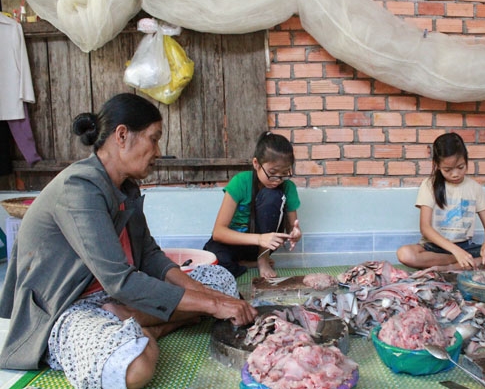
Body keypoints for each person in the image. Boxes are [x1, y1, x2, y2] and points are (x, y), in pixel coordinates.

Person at [0, 93, 257, 389]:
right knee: (133, 367)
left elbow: (150, 256)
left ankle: (133, 318)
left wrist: (209, 295)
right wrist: (210, 305)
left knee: (221, 279)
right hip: (71, 307)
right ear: (122, 135)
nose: (158, 151)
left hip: (118, 300)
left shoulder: (125, 188)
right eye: (154, 138)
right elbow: (120, 281)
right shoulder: (78, 188)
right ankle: (155, 326)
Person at [396, 132, 485, 271]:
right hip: (435, 249)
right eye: (447, 170)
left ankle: (452, 267)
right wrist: (456, 252)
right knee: (405, 254)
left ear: (466, 160)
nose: (455, 174)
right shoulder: (429, 185)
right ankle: (461, 263)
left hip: (466, 247)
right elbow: (425, 228)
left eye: (460, 167)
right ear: (437, 165)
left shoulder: (475, 188)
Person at [204, 131, 302, 279]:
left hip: (261, 247)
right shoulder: (240, 182)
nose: (277, 179)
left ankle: (262, 259)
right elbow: (218, 233)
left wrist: (294, 234)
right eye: (272, 172)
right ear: (256, 164)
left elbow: (291, 227)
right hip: (234, 243)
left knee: (272, 195)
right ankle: (246, 263)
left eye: (284, 174)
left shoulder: (288, 188)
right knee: (211, 264)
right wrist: (259, 238)